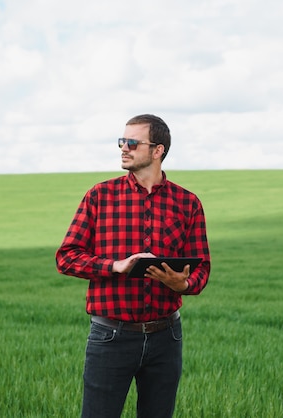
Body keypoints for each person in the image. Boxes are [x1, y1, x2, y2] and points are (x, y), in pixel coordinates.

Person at [55, 114, 211, 418]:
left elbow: (201, 268)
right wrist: (116, 266)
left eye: (132, 143)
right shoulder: (100, 196)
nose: (123, 148)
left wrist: (184, 285)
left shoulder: (187, 203)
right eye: (121, 142)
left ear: (157, 150)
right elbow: (67, 256)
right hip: (110, 337)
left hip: (167, 336)